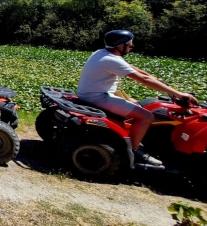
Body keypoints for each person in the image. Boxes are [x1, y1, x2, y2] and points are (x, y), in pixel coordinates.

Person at [77, 29, 198, 166]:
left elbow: (135, 69)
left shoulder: (103, 53)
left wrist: (155, 79)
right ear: (120, 45)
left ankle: (136, 136)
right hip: (98, 97)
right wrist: (180, 94)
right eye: (129, 44)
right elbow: (143, 80)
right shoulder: (110, 60)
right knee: (147, 116)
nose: (131, 47)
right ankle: (135, 151)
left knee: (142, 104)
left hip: (94, 93)